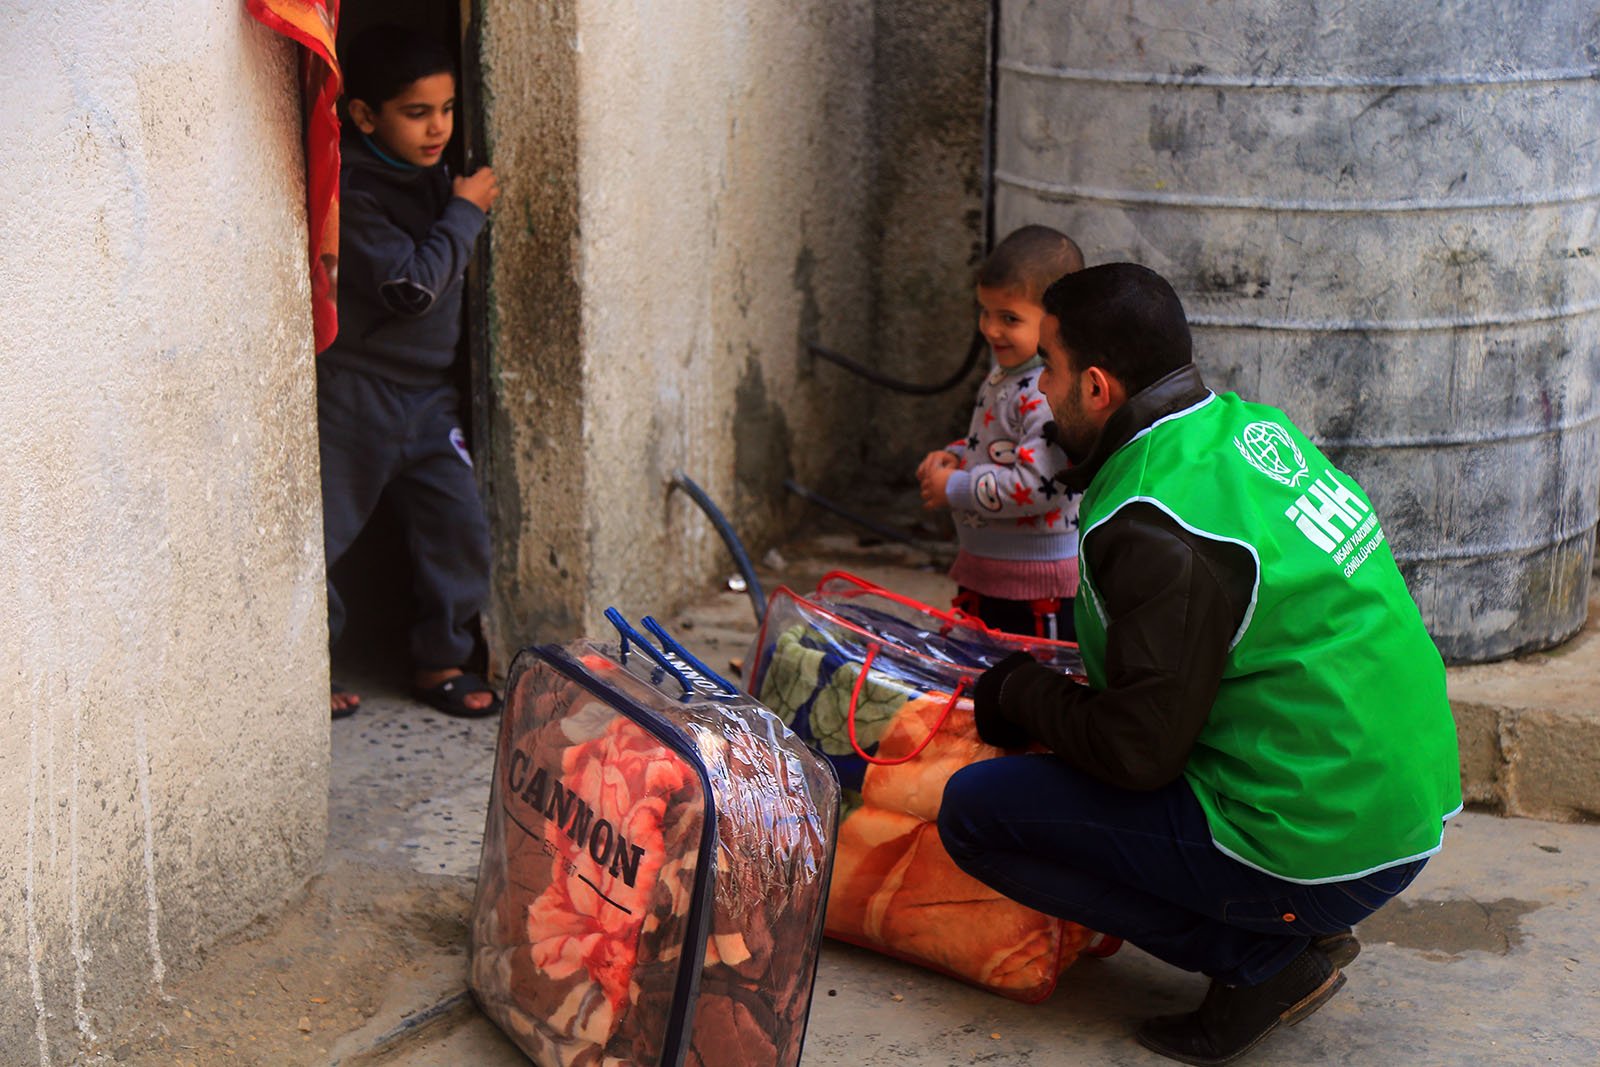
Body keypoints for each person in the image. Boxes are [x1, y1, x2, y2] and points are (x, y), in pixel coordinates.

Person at [935, 263, 1462, 1065]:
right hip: (1404, 804)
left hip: (1320, 835)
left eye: (1049, 367)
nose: (1038, 389)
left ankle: (1262, 959)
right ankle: (1290, 922)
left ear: (1099, 387)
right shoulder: (1246, 431)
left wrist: (1020, 692)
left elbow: (1137, 754)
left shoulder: (1151, 521)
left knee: (975, 812)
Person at [319, 25, 502, 720]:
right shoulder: (357, 191)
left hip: (429, 397)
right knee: (324, 538)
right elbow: (411, 288)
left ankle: (441, 660)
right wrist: (464, 213)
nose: (438, 129)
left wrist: (453, 203)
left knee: (457, 524)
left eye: (448, 110)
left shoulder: (434, 178)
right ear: (365, 115)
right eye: (417, 112)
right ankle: (312, 665)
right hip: (356, 393)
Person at [915, 225, 1085, 639]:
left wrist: (955, 486)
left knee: (1033, 686)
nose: (991, 329)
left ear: (1056, 323)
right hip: (992, 571)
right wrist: (959, 455)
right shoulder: (1008, 375)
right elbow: (1004, 447)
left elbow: (1035, 482)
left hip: (1035, 585)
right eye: (985, 312)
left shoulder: (1047, 393)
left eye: (1009, 318)